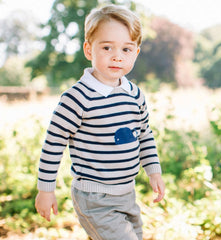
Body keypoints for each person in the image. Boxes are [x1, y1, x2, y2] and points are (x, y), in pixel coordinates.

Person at [35, 4, 165, 240]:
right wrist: (46, 189)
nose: (117, 56)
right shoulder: (77, 98)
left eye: (126, 49)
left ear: (136, 53)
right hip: (94, 198)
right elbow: (53, 144)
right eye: (107, 47)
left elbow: (144, 134)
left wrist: (153, 171)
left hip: (127, 192)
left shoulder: (135, 95)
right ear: (88, 49)